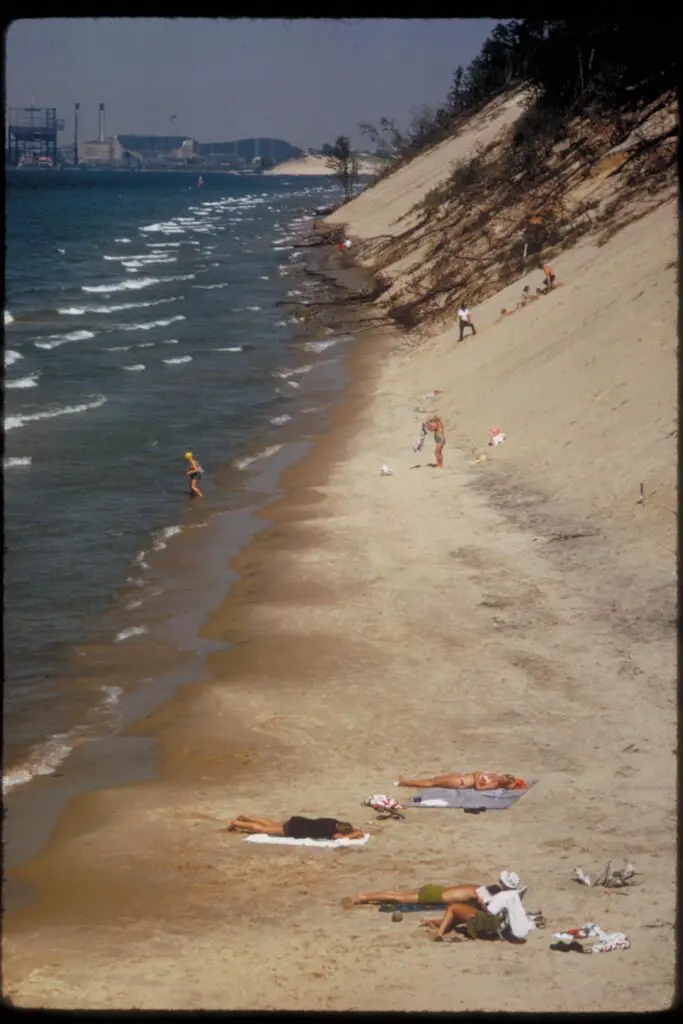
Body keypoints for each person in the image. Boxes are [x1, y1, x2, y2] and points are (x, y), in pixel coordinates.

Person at [343, 871, 521, 910]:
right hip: (435, 895)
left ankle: (365, 896)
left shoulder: (482, 887)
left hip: (437, 889)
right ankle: (363, 897)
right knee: (399, 899)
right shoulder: (485, 895)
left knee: (398, 894)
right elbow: (487, 909)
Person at [223, 814, 366, 841]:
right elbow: (340, 838)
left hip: (298, 821)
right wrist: (354, 834)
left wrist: (356, 831)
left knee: (271, 824)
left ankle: (247, 818)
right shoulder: (332, 832)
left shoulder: (333, 821)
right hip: (295, 830)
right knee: (263, 830)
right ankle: (236, 824)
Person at [395, 771, 527, 791]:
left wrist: (477, 777)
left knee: (432, 783)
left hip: (461, 782)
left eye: (504, 779)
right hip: (461, 777)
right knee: (433, 779)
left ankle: (406, 783)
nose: (501, 777)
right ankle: (408, 781)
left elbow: (479, 788)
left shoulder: (494, 784)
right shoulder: (495, 776)